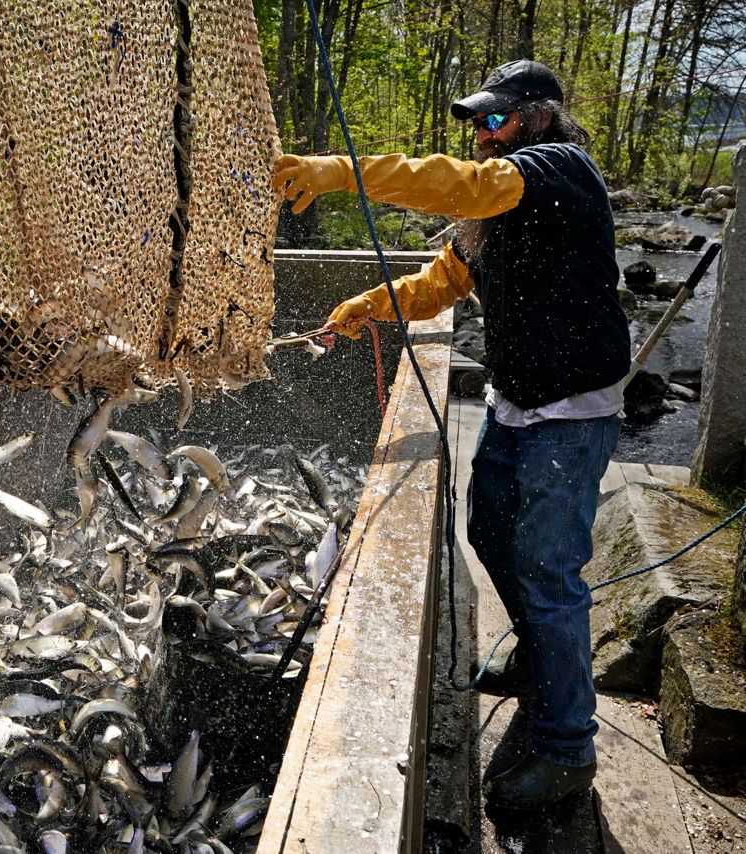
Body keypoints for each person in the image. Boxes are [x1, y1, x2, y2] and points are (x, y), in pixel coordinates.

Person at [271, 60, 630, 811]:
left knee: (550, 572)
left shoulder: (558, 168)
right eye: (475, 122)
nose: (482, 133)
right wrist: (368, 304)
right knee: (491, 532)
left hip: (571, 415)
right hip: (515, 403)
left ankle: (570, 751)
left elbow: (459, 185)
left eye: (495, 119)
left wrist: (340, 171)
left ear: (539, 117)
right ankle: (539, 660)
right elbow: (441, 281)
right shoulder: (495, 210)